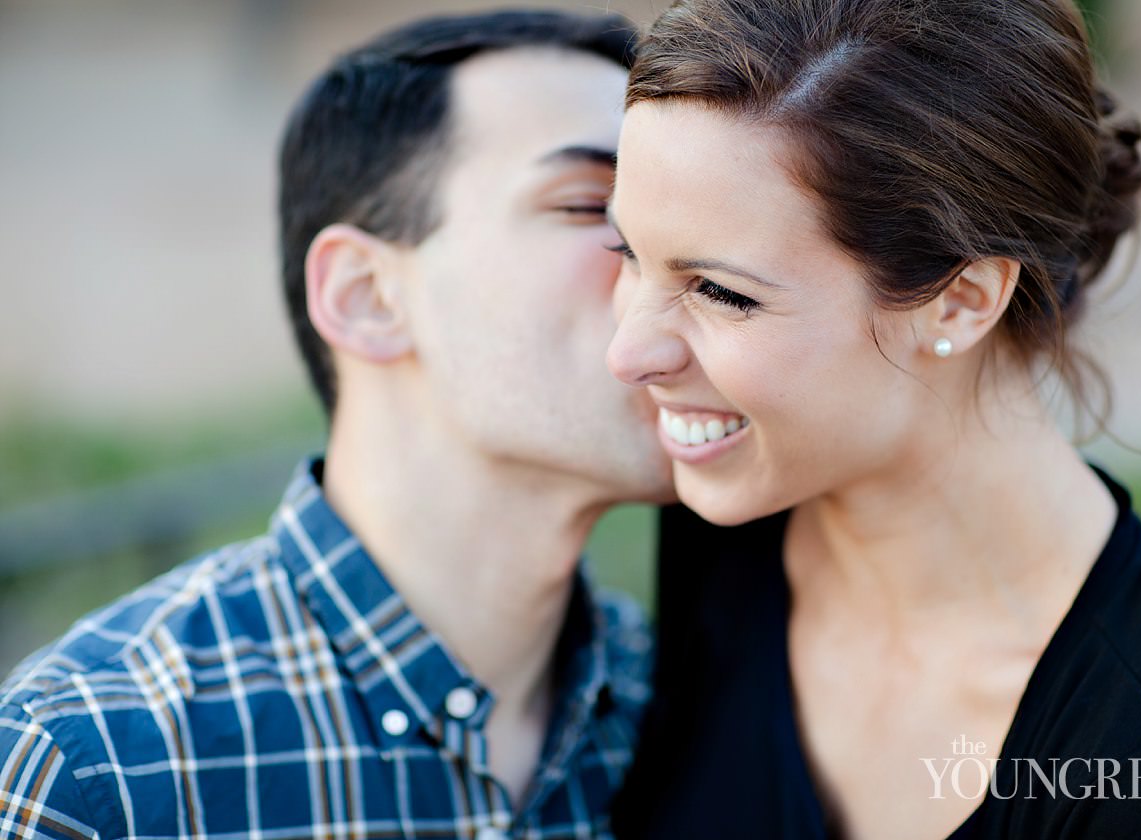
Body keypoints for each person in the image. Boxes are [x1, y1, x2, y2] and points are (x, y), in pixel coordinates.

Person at [0, 10, 672, 839]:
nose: (670, 268)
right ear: (366, 295)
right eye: (588, 205)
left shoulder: (690, 706)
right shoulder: (97, 767)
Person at [604, 0, 1141, 837]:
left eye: (722, 292)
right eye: (626, 252)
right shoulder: (733, 503)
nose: (628, 353)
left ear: (962, 301)